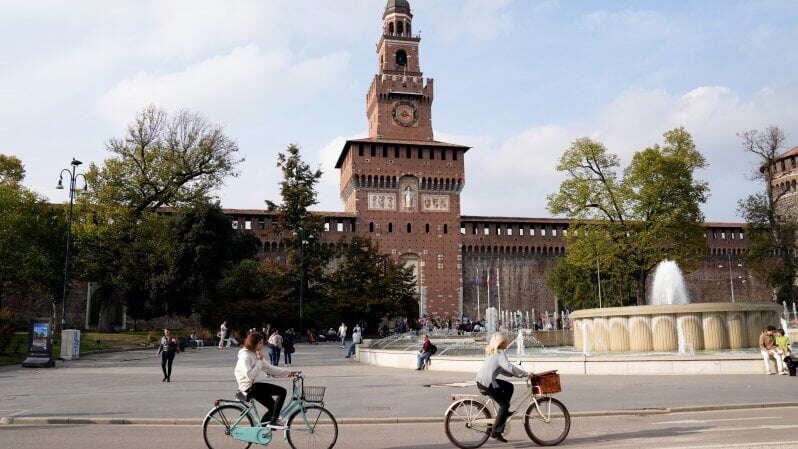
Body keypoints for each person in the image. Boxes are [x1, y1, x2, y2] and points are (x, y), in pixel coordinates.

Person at [476, 332, 532, 443]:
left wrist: (516, 375)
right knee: (504, 404)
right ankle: (496, 431)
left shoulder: (494, 352)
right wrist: (524, 374)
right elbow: (508, 367)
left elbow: (503, 369)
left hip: (482, 381)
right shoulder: (500, 352)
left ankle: (504, 413)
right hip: (487, 383)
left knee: (509, 386)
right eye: (506, 340)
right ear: (501, 343)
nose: (508, 342)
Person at [234, 333, 299, 426]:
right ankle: (273, 421)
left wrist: (288, 373)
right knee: (281, 393)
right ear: (253, 343)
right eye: (260, 343)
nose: (262, 345)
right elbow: (250, 375)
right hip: (248, 388)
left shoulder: (255, 353)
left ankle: (262, 430)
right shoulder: (245, 356)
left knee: (273, 407)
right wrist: (259, 361)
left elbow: (270, 368)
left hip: (252, 385)